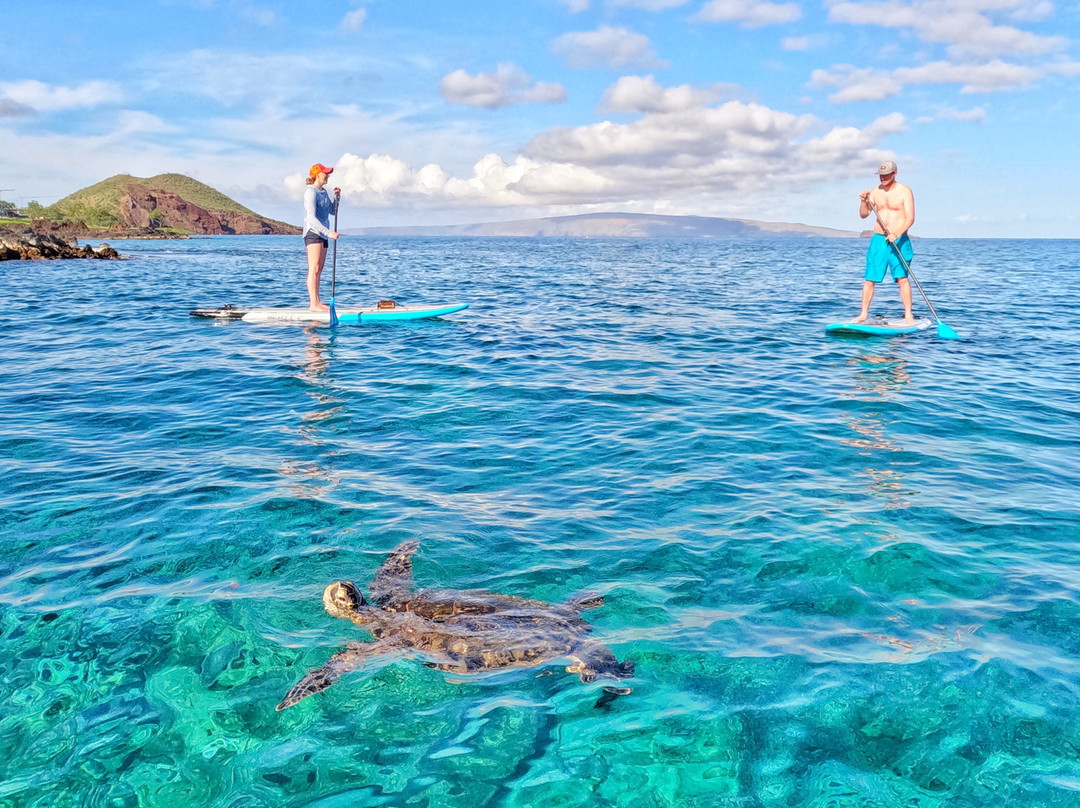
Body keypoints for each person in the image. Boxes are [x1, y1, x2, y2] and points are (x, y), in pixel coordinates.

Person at [855, 160, 915, 324]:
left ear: (895, 173)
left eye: (887, 175)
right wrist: (863, 201)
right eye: (881, 175)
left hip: (899, 239)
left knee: (902, 278)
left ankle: (908, 314)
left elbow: (910, 218)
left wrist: (896, 233)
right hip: (879, 240)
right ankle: (863, 314)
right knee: (869, 279)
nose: (883, 178)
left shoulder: (905, 191)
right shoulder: (876, 191)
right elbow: (864, 214)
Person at [302, 163, 341, 312]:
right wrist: (328, 232)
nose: (327, 175)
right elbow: (310, 218)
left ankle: (318, 302)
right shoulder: (310, 192)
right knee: (313, 268)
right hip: (313, 233)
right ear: (317, 175)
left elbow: (332, 211)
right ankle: (313, 304)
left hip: (323, 233)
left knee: (319, 269)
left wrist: (337, 197)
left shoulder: (323, 192)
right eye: (325, 173)